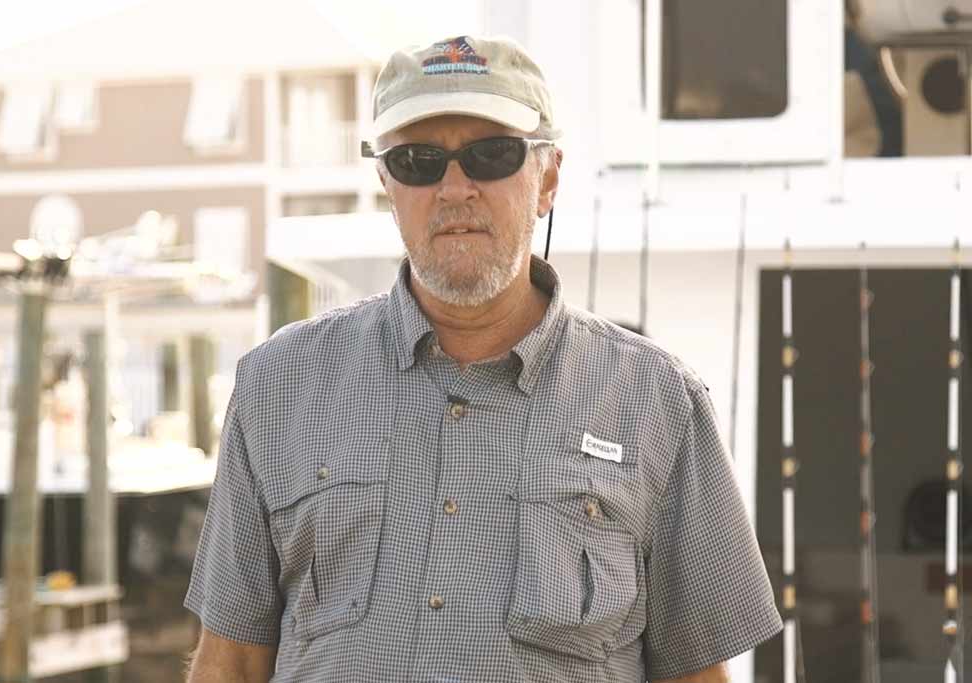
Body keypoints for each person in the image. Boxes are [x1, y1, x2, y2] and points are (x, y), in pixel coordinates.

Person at [184, 34, 782, 683]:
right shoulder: (277, 384)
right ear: (387, 181)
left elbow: (696, 673)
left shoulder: (659, 400)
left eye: (491, 155)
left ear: (547, 176)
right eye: (418, 160)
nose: (455, 187)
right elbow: (231, 662)